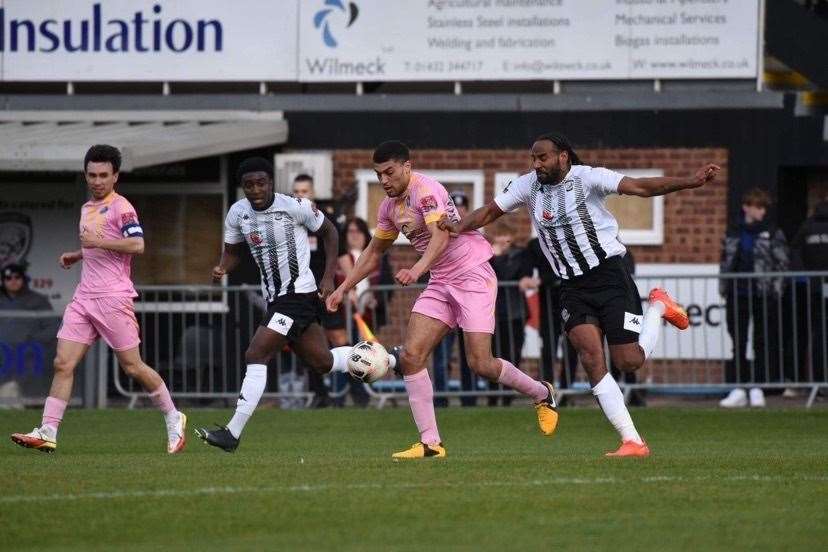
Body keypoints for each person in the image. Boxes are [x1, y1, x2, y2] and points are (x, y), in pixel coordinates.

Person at [440, 132, 719, 457]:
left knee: (628, 362)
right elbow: (489, 211)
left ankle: (658, 306)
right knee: (589, 356)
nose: (537, 164)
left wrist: (689, 181)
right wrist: (458, 226)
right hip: (571, 286)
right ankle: (633, 441)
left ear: (563, 157)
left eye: (542, 157)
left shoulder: (588, 178)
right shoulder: (527, 185)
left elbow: (641, 187)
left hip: (609, 276)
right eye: (533, 158)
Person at [327, 141, 558, 460]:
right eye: (378, 174)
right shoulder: (389, 208)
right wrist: (343, 287)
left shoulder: (427, 191)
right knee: (412, 356)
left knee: (480, 363)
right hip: (441, 281)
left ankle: (542, 393)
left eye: (389, 172)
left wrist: (418, 268)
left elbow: (441, 234)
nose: (384, 180)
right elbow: (373, 252)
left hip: (473, 274)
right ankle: (430, 443)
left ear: (406, 167)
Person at [195, 158, 395, 452]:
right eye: (249, 185)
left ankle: (232, 433)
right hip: (276, 299)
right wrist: (223, 267)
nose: (255, 189)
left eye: (261, 183)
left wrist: (328, 278)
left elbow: (330, 232)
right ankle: (391, 359)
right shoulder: (238, 213)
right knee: (323, 362)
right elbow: (233, 252)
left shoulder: (295, 206)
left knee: (256, 353)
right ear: (242, 188)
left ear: (271, 183)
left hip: (298, 296)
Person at [10, 145, 186, 454]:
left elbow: (137, 244)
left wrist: (97, 241)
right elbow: (96, 246)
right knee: (62, 362)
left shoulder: (122, 207)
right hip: (84, 298)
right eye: (92, 175)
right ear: (85, 175)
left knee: (132, 367)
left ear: (115, 176)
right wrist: (78, 254)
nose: (97, 181)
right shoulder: (87, 207)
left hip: (113, 298)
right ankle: (48, 430)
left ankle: (173, 416)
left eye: (104, 175)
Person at [719, 189, 790, 408]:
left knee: (761, 341)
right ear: (746, 207)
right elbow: (725, 260)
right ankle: (740, 388)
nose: (761, 211)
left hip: (762, 294)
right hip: (737, 293)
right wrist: (724, 286)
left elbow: (782, 262)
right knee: (738, 341)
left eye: (763, 208)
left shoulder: (772, 232)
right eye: (758, 207)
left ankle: (757, 387)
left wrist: (775, 289)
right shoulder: (733, 231)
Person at [432, 190, 474, 407]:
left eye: (462, 207)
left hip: (468, 303)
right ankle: (441, 399)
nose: (459, 211)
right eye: (454, 207)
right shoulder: (438, 233)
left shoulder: (474, 234)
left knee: (473, 356)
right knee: (441, 356)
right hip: (447, 301)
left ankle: (470, 398)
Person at [526, 237, 578, 404]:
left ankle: (567, 391)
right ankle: (547, 393)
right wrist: (528, 278)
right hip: (548, 305)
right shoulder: (535, 244)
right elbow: (525, 268)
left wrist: (543, 280)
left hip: (571, 302)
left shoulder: (570, 239)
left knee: (571, 349)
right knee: (548, 349)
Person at [487, 226, 535, 406]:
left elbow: (510, 275)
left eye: (505, 235)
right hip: (493, 314)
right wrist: (493, 257)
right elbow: (486, 276)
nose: (502, 239)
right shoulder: (487, 256)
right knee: (492, 356)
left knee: (512, 355)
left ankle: (507, 396)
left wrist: (497, 257)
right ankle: (492, 397)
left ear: (512, 237)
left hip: (515, 313)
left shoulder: (520, 255)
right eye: (499, 235)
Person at [790, 198, 827, 382]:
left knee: (818, 336)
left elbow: (795, 252)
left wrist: (804, 278)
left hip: (814, 290)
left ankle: (820, 383)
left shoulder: (808, 226)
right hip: (817, 288)